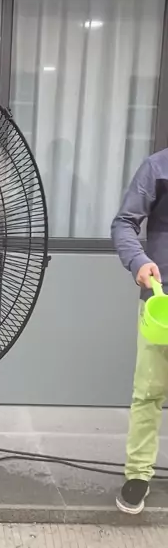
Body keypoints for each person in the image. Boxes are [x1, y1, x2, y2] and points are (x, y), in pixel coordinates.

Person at [111, 147, 168, 514]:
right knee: (149, 392)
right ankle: (138, 474)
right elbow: (124, 223)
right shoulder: (157, 167)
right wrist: (138, 260)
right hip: (161, 302)